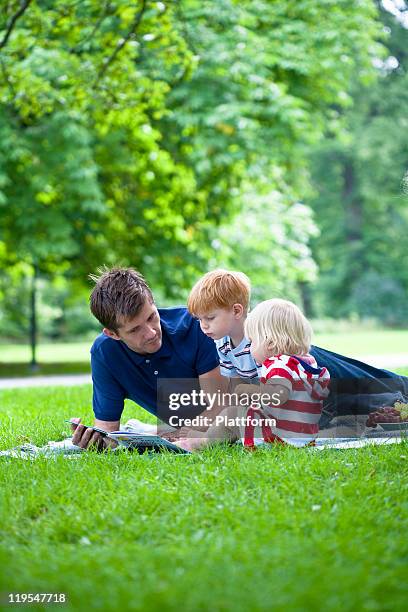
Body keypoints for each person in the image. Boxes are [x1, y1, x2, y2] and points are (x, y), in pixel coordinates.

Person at [187, 269, 408, 428]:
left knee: (362, 379)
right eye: (199, 319)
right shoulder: (222, 344)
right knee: (343, 403)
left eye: (210, 318)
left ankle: (401, 388)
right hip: (298, 390)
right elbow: (237, 387)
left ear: (236, 311)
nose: (203, 326)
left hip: (310, 363)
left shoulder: (260, 332)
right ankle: (392, 404)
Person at [71, 267, 227, 450]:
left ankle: (153, 431)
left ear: (153, 303)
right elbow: (108, 430)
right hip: (184, 426)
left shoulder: (195, 326)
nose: (151, 332)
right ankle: (154, 432)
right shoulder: (105, 353)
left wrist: (178, 435)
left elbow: (220, 406)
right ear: (113, 334)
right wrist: (96, 442)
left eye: (152, 316)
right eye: (135, 329)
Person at [176, 299, 330, 451]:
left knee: (231, 414)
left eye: (253, 342)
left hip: (281, 437)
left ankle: (203, 442)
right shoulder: (307, 363)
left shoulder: (278, 365)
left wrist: (249, 391)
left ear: (269, 343)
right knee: (245, 414)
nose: (250, 349)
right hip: (304, 437)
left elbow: (278, 395)